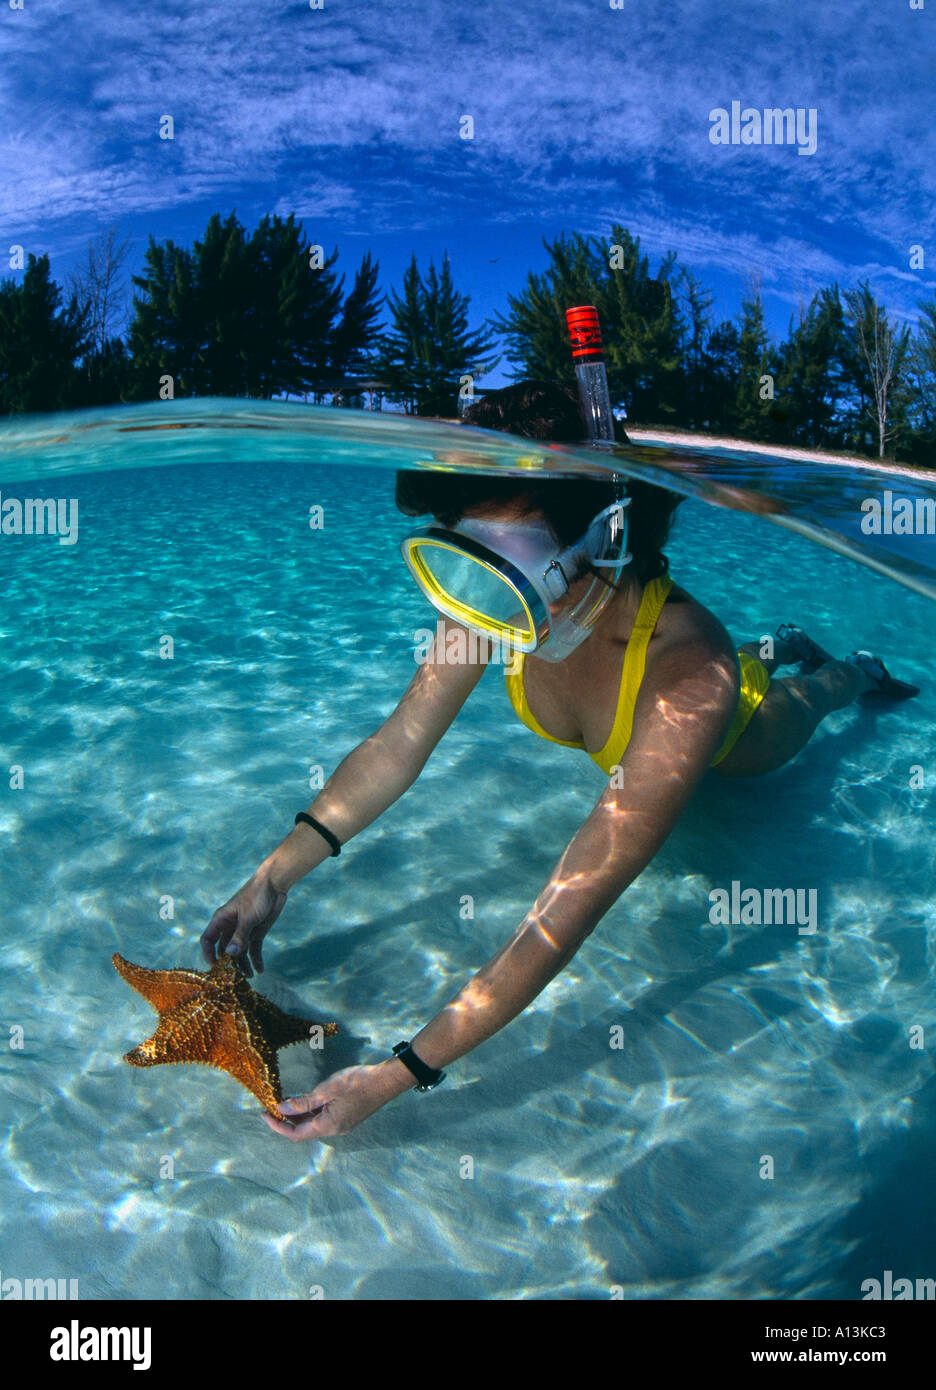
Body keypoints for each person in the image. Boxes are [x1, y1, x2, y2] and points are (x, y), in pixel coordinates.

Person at [201, 380, 918, 1142]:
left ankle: (854, 669)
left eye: (510, 566)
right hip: (659, 667)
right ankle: (777, 642)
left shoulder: (691, 675)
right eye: (466, 559)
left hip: (735, 735)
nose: (481, 601)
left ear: (601, 540)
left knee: (796, 707)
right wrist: (273, 874)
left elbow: (575, 898)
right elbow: (395, 747)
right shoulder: (497, 602)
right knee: (750, 656)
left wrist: (397, 1073)